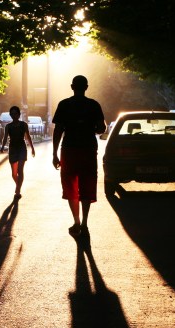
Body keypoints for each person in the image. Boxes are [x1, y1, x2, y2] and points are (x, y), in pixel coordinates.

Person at [52, 75, 106, 237]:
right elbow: (101, 128)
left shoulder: (64, 105)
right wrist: (90, 128)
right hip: (88, 150)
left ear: (72, 87)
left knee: (70, 186)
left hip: (69, 150)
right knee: (87, 185)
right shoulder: (94, 105)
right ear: (86, 87)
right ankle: (85, 222)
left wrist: (55, 154)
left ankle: (76, 221)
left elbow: (58, 130)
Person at [1, 105, 35, 199]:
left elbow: (28, 136)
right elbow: (5, 138)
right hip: (12, 149)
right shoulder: (8, 126)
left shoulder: (23, 125)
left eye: (15, 114)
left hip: (21, 149)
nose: (14, 115)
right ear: (10, 115)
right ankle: (18, 185)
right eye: (12, 114)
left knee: (20, 170)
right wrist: (2, 147)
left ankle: (18, 190)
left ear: (19, 114)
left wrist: (32, 148)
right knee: (14, 173)